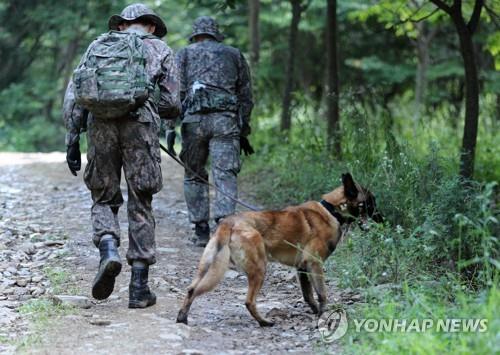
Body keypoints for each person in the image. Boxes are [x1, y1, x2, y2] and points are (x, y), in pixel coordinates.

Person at [63, 3, 181, 308]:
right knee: (141, 199)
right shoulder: (161, 50)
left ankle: (108, 248)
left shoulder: (98, 46)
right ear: (151, 26)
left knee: (103, 196)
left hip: (100, 126)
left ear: (121, 25)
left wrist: (73, 138)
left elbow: (76, 94)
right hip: (139, 126)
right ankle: (139, 288)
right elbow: (171, 103)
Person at [171, 16, 254, 247]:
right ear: (216, 34)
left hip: (193, 122)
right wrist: (243, 127)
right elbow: (246, 96)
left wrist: (169, 127)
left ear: (195, 35)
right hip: (225, 122)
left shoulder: (184, 54)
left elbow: (174, 92)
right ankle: (224, 228)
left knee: (193, 173)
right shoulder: (234, 54)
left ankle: (200, 230)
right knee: (225, 173)